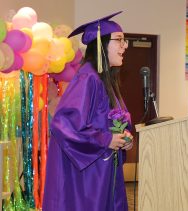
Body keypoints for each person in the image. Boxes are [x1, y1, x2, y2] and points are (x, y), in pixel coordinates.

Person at [42, 11, 133, 211]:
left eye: (124, 41)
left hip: (102, 170)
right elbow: (63, 124)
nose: (124, 46)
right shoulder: (88, 78)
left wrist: (123, 138)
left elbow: (106, 122)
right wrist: (106, 139)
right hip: (87, 177)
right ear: (101, 44)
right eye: (119, 40)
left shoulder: (105, 81)